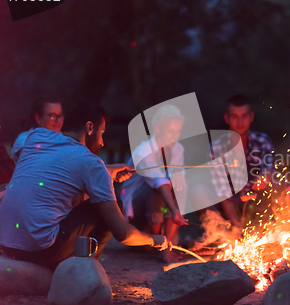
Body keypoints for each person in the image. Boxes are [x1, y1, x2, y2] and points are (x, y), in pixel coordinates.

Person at [0, 101, 170, 270]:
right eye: (102, 133)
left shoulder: (36, 138)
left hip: (6, 243)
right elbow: (123, 233)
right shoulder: (91, 163)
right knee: (110, 206)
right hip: (41, 250)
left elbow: (63, 167)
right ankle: (86, 270)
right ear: (89, 128)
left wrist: (106, 171)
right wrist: (155, 240)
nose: (102, 142)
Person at [195, 95, 275, 234]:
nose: (240, 121)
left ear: (251, 117)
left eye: (244, 116)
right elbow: (222, 193)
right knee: (197, 191)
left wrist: (267, 175)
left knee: (279, 185)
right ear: (227, 118)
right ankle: (224, 234)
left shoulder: (262, 141)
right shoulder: (218, 148)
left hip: (256, 204)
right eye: (234, 117)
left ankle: (264, 232)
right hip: (228, 206)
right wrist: (235, 225)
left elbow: (271, 169)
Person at [121, 104, 188, 264]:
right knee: (157, 189)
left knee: (177, 185)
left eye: (177, 131)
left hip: (161, 208)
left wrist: (179, 211)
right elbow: (159, 181)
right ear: (157, 128)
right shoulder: (143, 151)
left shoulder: (177, 149)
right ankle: (159, 245)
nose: (175, 136)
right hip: (137, 216)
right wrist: (172, 209)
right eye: (170, 131)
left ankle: (168, 244)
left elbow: (179, 180)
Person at [11, 98, 64, 163]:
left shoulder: (62, 138)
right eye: (53, 116)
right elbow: (35, 159)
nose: (58, 121)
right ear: (38, 118)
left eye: (60, 116)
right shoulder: (24, 139)